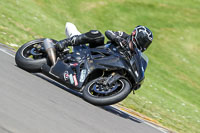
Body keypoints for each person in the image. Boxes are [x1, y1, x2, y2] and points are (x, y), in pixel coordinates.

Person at [55, 25, 153, 56]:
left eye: (146, 44)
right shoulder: (124, 36)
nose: (144, 45)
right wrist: (117, 39)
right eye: (144, 41)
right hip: (98, 52)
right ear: (136, 35)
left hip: (108, 65)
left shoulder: (135, 55)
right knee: (97, 35)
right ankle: (64, 43)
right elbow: (108, 32)